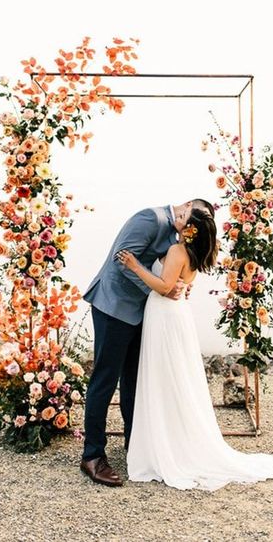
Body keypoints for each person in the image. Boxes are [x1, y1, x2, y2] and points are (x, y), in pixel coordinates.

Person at [117, 208, 273, 491]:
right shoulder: (192, 254)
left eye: (184, 218)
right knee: (174, 378)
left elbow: (163, 286)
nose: (178, 217)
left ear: (190, 230)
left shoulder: (176, 251)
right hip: (176, 315)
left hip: (165, 316)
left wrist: (135, 266)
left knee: (164, 377)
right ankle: (168, 438)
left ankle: (165, 444)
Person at [80, 199, 215, 487]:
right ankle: (92, 455)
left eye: (193, 225)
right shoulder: (148, 219)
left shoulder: (178, 236)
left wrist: (177, 285)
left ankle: (136, 447)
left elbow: (174, 269)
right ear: (188, 205)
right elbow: (122, 259)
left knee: (135, 381)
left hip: (145, 314)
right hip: (114, 308)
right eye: (190, 217)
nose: (188, 226)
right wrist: (161, 290)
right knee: (105, 380)